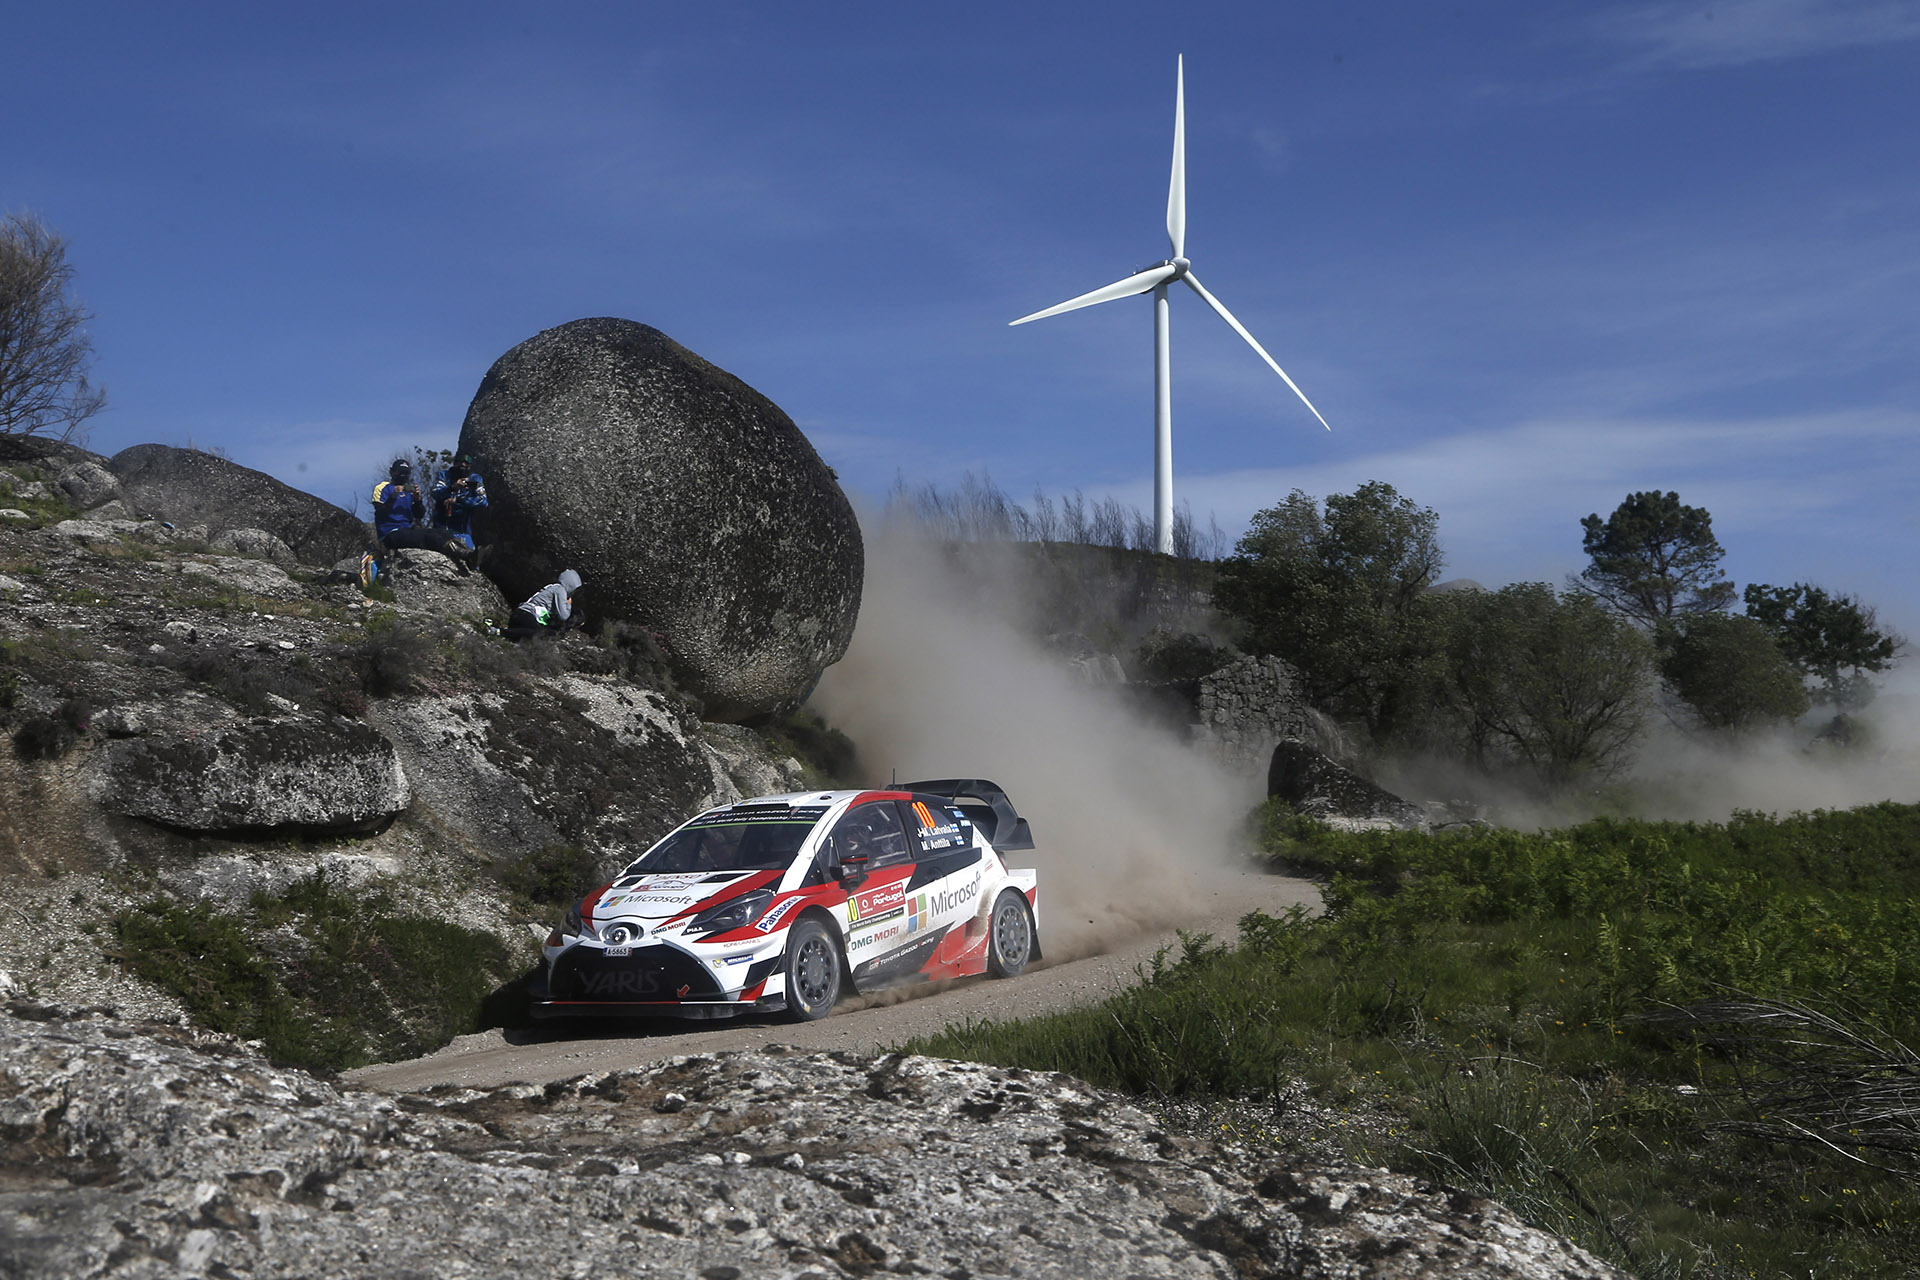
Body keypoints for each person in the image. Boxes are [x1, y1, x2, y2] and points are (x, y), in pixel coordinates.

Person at [371, 458, 476, 567]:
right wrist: (393, 497)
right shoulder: (382, 488)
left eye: (406, 473)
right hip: (390, 534)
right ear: (392, 472)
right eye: (400, 472)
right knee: (429, 538)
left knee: (443, 533)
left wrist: (418, 500)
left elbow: (419, 515)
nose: (403, 475)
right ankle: (465, 555)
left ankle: (469, 554)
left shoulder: (409, 491)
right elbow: (380, 512)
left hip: (408, 529)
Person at [428, 455, 488, 552]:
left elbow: (483, 501)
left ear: (470, 466)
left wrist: (459, 500)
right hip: (442, 527)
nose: (463, 465)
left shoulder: (475, 478)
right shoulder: (445, 475)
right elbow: (435, 493)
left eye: (466, 464)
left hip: (463, 530)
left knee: (468, 553)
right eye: (460, 462)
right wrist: (452, 487)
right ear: (455, 463)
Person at [506, 569, 583, 639]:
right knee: (540, 634)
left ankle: (511, 633)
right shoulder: (560, 590)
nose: (574, 592)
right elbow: (564, 616)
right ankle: (503, 632)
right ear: (570, 585)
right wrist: (568, 604)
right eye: (574, 589)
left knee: (545, 633)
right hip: (525, 614)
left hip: (519, 615)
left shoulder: (554, 587)